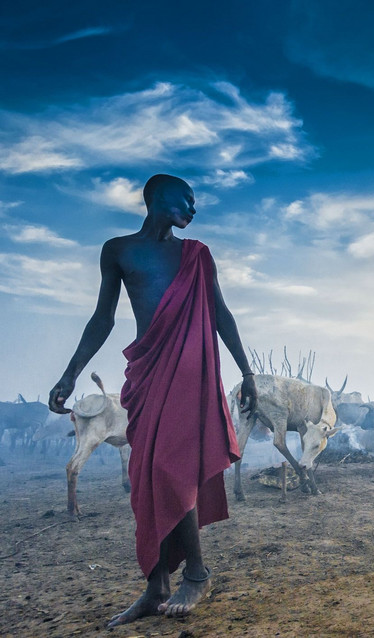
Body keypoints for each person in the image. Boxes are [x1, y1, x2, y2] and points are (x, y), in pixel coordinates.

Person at [48, 174, 258, 627]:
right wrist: (69, 374)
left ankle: (197, 574)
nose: (195, 208)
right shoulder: (119, 250)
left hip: (191, 376)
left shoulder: (197, 256)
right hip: (146, 374)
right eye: (189, 198)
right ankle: (157, 584)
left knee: (169, 468)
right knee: (145, 474)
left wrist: (247, 371)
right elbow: (102, 318)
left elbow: (221, 314)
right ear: (159, 198)